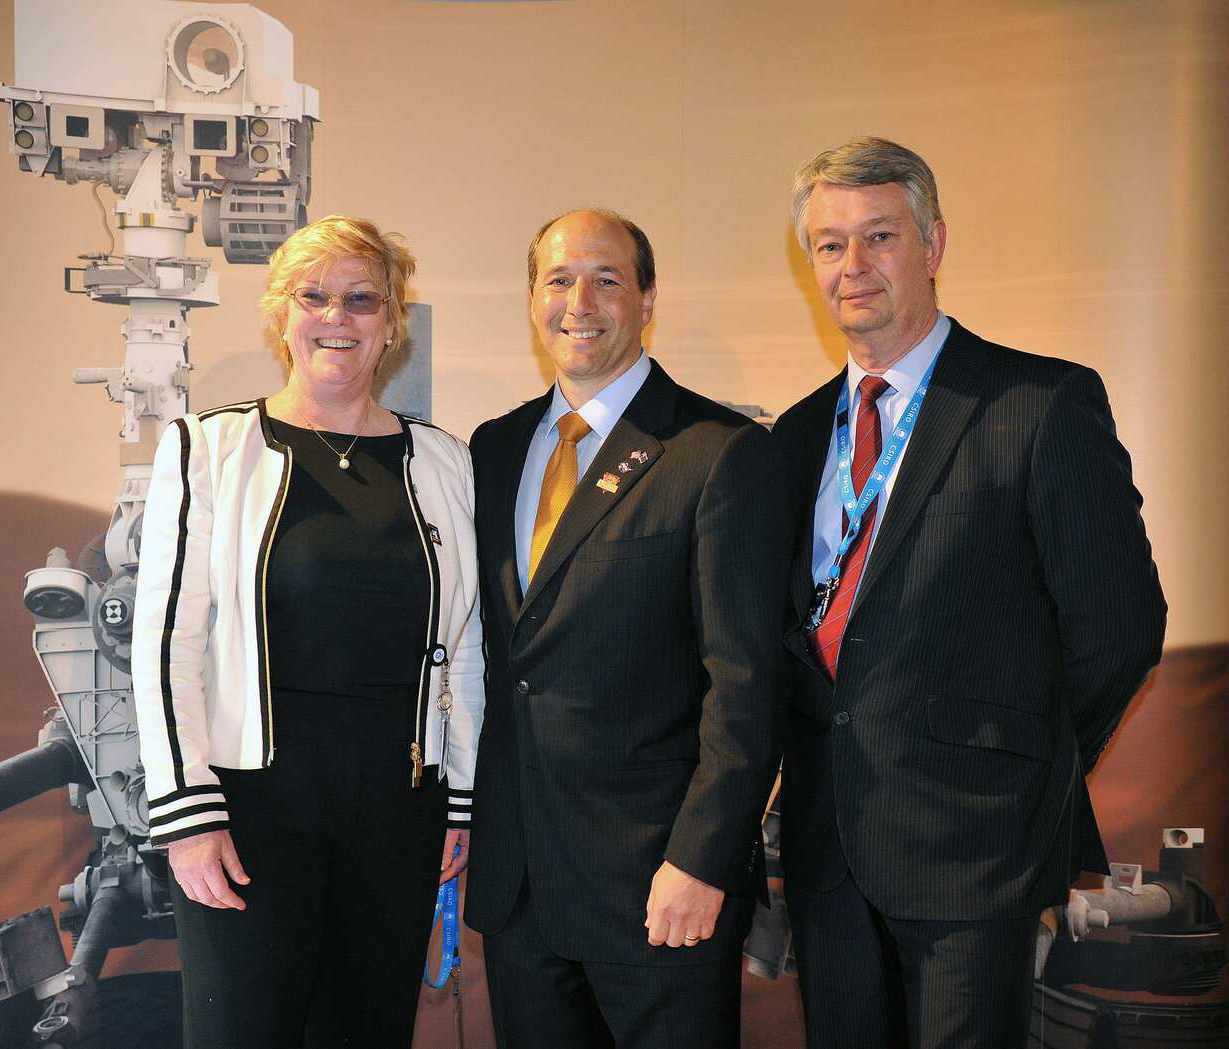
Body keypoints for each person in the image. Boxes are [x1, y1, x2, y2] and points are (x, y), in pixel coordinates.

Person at [773, 136, 1167, 1048]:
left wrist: (1019, 770)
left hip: (977, 854)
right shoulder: (793, 437)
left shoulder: (1037, 403)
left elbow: (1120, 627)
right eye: (830, 244)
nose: (853, 264)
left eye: (880, 236)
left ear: (935, 244)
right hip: (829, 853)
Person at [131, 214, 483, 1049]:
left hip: (399, 813)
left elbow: (466, 646)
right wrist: (187, 815)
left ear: (391, 323)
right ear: (280, 315)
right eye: (314, 295)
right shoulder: (210, 449)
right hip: (248, 815)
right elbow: (167, 645)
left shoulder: (444, 461)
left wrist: (460, 799)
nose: (337, 316)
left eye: (362, 298)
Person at [464, 208, 789, 1048]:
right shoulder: (492, 450)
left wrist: (702, 860)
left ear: (647, 299)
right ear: (532, 299)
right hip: (521, 889)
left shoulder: (716, 451)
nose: (580, 302)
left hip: (660, 888)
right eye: (559, 280)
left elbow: (746, 686)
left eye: (606, 279)